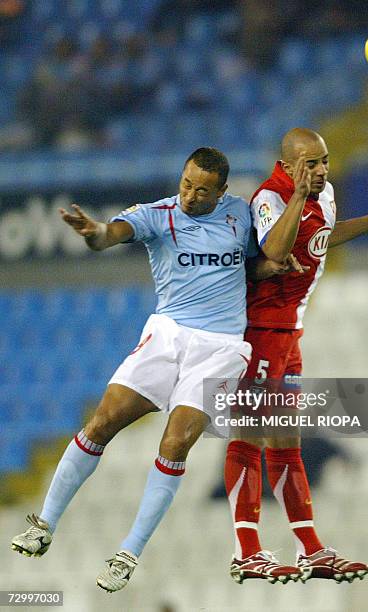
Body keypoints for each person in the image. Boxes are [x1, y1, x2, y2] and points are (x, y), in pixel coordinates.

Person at [10, 147, 302, 592]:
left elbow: (254, 263)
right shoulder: (158, 215)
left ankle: (128, 553)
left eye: (202, 190)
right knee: (103, 421)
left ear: (222, 192)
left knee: (177, 439)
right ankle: (44, 523)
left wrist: (272, 264)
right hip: (166, 336)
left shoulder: (240, 215)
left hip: (221, 347)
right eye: (186, 184)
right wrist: (94, 233)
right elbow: (112, 233)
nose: (190, 195)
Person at [224, 128, 368, 584]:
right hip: (258, 332)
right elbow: (275, 250)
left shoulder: (327, 193)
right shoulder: (269, 198)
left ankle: (312, 550)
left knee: (286, 442)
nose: (321, 170)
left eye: (323, 161)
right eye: (311, 164)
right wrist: (298, 197)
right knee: (249, 436)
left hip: (289, 336)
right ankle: (248, 551)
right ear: (287, 166)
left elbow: (317, 240)